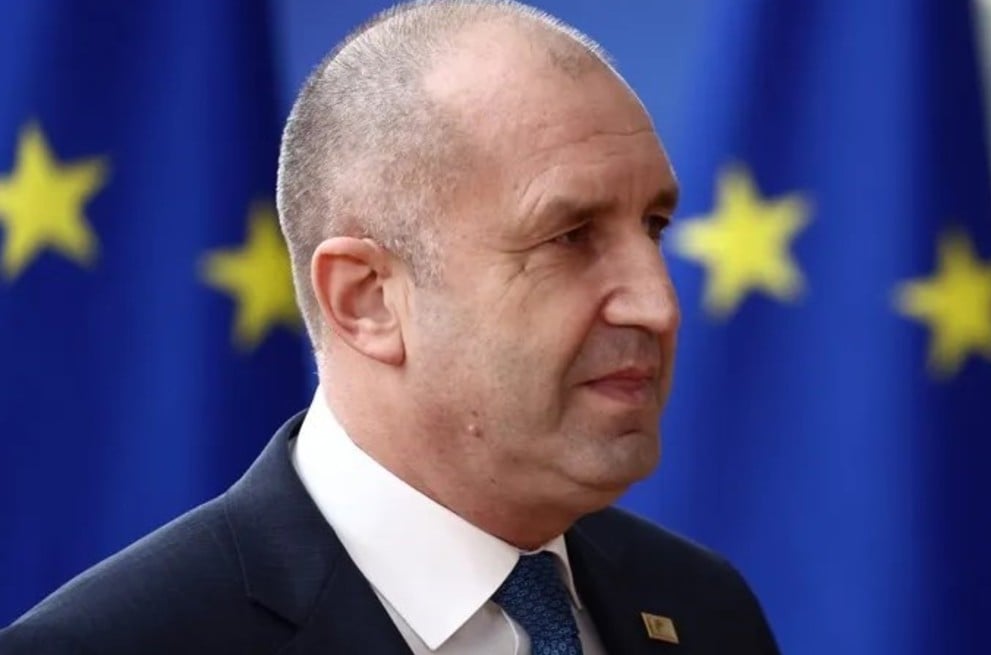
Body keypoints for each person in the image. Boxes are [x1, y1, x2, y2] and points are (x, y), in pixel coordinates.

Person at [0, 1, 780, 653]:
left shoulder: (704, 608)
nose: (658, 303)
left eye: (654, 226)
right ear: (366, 299)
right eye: (570, 237)